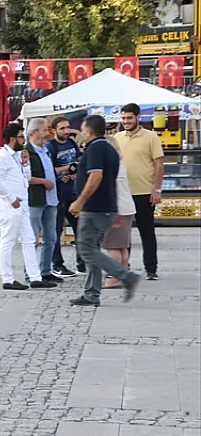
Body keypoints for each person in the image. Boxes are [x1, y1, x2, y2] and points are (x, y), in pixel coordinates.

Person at [70, 115, 141, 306]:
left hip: (94, 208)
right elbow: (113, 182)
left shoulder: (96, 148)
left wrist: (80, 201)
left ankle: (125, 276)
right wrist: (115, 209)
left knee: (86, 248)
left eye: (83, 130)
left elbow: (96, 176)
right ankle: (91, 294)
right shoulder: (110, 149)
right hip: (106, 207)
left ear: (89, 131)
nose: (82, 134)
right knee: (92, 249)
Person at [0, 123, 54, 291]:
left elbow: (26, 178)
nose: (23, 140)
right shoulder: (2, 156)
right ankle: (7, 279)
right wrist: (11, 198)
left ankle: (35, 277)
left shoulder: (17, 156)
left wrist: (25, 164)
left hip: (22, 204)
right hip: (9, 205)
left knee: (29, 239)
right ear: (12, 139)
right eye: (20, 136)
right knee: (8, 240)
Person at [111, 103, 164, 280]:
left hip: (144, 192)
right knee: (124, 233)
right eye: (123, 118)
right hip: (123, 193)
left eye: (129, 118)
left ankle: (151, 268)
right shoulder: (117, 137)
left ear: (138, 118)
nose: (126, 121)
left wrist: (156, 189)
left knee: (146, 231)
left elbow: (158, 164)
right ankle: (125, 266)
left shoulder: (151, 137)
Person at [25, 118, 63, 284]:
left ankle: (46, 270)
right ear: (33, 133)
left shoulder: (45, 150)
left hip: (51, 199)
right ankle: (30, 272)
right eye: (44, 130)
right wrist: (43, 181)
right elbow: (24, 177)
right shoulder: (26, 152)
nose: (47, 133)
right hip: (35, 199)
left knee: (51, 237)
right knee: (32, 237)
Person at [46, 115, 82, 277]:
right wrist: (65, 170)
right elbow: (48, 170)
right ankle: (57, 264)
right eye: (62, 128)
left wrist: (76, 171)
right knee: (56, 229)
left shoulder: (72, 143)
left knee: (80, 227)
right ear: (54, 130)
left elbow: (79, 160)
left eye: (68, 127)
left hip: (73, 191)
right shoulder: (50, 147)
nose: (66, 131)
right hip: (58, 192)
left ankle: (82, 262)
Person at [99, 139, 136, 291]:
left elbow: (112, 189)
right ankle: (123, 274)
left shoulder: (111, 166)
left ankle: (114, 277)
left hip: (117, 209)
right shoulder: (120, 164)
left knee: (112, 246)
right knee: (122, 246)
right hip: (128, 207)